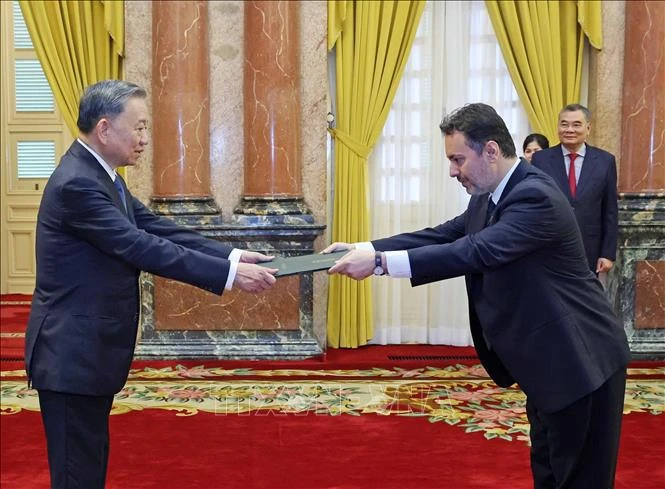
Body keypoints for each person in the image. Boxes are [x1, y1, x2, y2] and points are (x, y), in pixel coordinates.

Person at [324, 103, 630, 489]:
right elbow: (443, 236)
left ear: (489, 150)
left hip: (582, 360)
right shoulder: (488, 196)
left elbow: (475, 252)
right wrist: (363, 246)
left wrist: (381, 263)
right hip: (548, 361)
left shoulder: (536, 196)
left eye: (457, 159)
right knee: (550, 471)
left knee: (578, 479)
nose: (453, 171)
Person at [25, 80, 278, 489]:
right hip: (70, 354)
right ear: (104, 129)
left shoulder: (100, 173)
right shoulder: (78, 183)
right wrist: (230, 278)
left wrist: (230, 256)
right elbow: (139, 246)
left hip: (85, 352)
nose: (144, 139)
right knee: (77, 474)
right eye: (139, 127)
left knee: (88, 467)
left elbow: (154, 226)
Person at [531, 104, 618, 275]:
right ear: (558, 127)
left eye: (576, 124)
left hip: (589, 251)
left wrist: (607, 254)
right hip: (547, 249)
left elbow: (610, 211)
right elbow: (533, 206)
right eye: (564, 124)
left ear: (588, 128)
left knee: (582, 301)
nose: (569, 129)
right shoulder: (541, 160)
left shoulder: (605, 161)